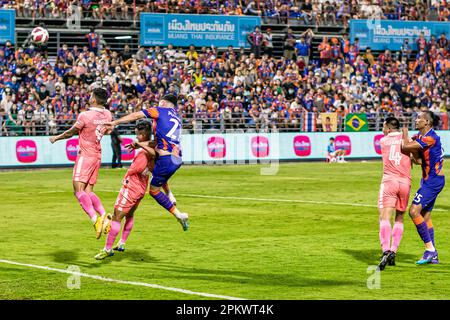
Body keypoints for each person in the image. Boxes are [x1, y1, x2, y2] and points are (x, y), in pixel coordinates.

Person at [104, 94, 189, 231]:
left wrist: (115, 122)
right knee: (154, 167)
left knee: (154, 191)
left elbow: (136, 115)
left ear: (163, 102)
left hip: (166, 158)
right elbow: (158, 142)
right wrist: (140, 144)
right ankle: (169, 194)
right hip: (177, 159)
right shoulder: (177, 118)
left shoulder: (160, 110)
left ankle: (178, 214)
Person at [95, 121, 173, 259]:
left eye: (138, 135)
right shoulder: (155, 146)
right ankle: (122, 243)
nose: (136, 137)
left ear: (143, 135)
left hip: (131, 188)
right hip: (141, 189)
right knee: (130, 215)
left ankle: (107, 249)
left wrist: (129, 172)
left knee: (117, 217)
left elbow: (137, 168)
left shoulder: (145, 153)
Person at [49, 88, 113, 239]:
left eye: (91, 96)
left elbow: (71, 132)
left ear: (94, 100)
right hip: (97, 155)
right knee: (88, 192)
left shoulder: (85, 115)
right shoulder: (108, 114)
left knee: (78, 190)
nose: (89, 98)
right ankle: (104, 215)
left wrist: (56, 138)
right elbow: (109, 131)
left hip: (85, 155)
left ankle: (95, 220)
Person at [401, 111, 445, 265]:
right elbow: (420, 161)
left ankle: (430, 250)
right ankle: (434, 255)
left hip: (433, 181)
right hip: (430, 180)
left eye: (419, 118)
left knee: (413, 211)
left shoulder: (430, 137)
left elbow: (405, 146)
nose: (416, 119)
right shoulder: (421, 137)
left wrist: (405, 133)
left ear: (427, 122)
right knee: (425, 216)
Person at [377, 117, 413, 270]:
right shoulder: (406, 138)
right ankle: (394, 251)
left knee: (385, 216)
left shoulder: (383, 141)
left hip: (390, 181)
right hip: (405, 182)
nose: (383, 130)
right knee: (399, 217)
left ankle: (385, 250)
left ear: (388, 128)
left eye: (384, 127)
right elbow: (411, 154)